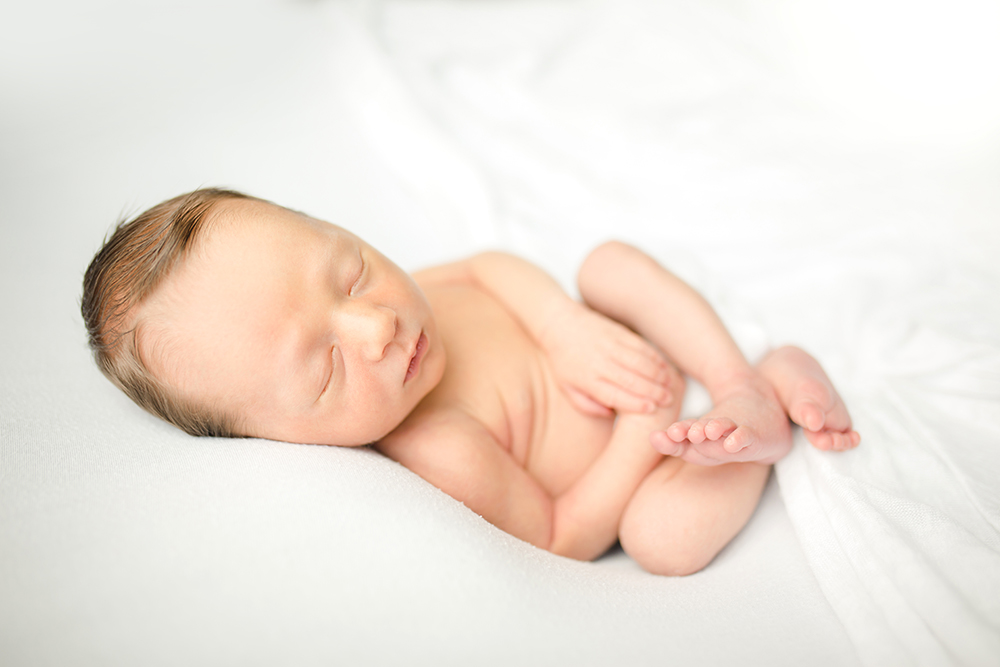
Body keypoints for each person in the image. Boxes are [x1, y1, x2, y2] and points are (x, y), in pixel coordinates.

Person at [82, 189, 859, 576]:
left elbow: (489, 266)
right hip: (657, 453)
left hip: (623, 340)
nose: (376, 324)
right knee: (662, 540)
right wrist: (639, 424)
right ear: (280, 442)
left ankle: (736, 377)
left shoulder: (410, 295)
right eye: (325, 368)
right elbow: (563, 533)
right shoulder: (438, 445)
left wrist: (562, 322)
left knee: (607, 265)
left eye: (349, 271)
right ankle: (756, 423)